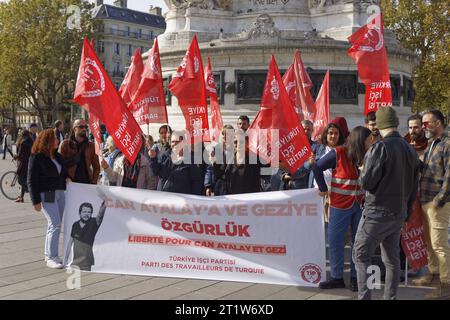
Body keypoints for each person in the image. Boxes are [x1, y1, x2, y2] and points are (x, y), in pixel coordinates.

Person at [353, 107, 420, 300]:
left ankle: (364, 297)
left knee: (360, 255)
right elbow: (413, 187)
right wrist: (405, 212)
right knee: (391, 260)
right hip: (398, 213)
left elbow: (367, 182)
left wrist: (363, 169)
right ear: (396, 123)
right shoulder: (409, 148)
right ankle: (390, 297)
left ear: (380, 125)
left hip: (376, 212)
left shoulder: (379, 148)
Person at [314, 126, 372, 292]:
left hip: (359, 205)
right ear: (360, 140)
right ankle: (337, 277)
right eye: (368, 140)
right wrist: (323, 188)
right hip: (339, 205)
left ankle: (356, 278)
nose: (371, 142)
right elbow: (317, 167)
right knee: (335, 241)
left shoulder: (365, 155)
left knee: (358, 243)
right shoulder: (338, 153)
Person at [412, 110, 450, 299]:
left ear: (437, 123)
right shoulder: (433, 143)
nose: (423, 127)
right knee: (429, 242)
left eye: (426, 123)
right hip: (426, 200)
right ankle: (433, 275)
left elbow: (449, 176)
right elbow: (427, 169)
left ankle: (446, 286)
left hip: (438, 203)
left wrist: (439, 200)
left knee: (440, 244)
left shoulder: (447, 143)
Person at [27, 129, 68, 269]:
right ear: (48, 141)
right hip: (46, 194)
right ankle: (52, 257)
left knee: (54, 224)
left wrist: (67, 177)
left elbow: (63, 172)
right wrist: (35, 201)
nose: (58, 140)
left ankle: (48, 254)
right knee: (55, 224)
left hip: (60, 194)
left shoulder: (58, 157)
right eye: (55, 138)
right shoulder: (37, 157)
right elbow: (31, 180)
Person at [271, 120, 325, 190]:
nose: (306, 131)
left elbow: (315, 164)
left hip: (305, 188)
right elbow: (279, 165)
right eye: (303, 129)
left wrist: (308, 164)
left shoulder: (318, 147)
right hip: (286, 187)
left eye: (308, 129)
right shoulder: (289, 147)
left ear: (312, 131)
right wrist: (284, 176)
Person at [150, 130, 204, 195]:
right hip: (163, 198)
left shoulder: (191, 160)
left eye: (177, 142)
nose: (174, 144)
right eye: (172, 142)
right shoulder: (165, 155)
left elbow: (196, 183)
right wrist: (153, 159)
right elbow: (156, 171)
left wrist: (194, 200)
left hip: (181, 201)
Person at [65, 201, 106, 271]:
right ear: (79, 213)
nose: (86, 214)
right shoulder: (75, 225)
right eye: (84, 212)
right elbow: (70, 243)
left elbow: (100, 215)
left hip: (86, 263)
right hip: (74, 262)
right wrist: (65, 259)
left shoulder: (94, 223)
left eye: (89, 212)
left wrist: (104, 204)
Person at [59, 119, 100, 184]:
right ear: (74, 129)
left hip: (87, 183)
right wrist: (65, 177)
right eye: (81, 127)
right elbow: (59, 165)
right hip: (69, 183)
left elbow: (97, 167)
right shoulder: (65, 144)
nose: (84, 129)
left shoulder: (91, 146)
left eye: (85, 127)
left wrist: (94, 182)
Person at [14, 129, 33, 202]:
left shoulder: (23, 142)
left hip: (23, 164)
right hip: (30, 163)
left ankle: (30, 190)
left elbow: (20, 154)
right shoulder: (31, 141)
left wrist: (16, 156)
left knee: (20, 180)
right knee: (25, 179)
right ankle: (21, 197)